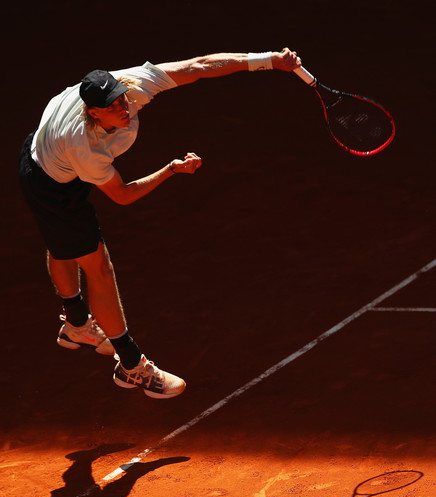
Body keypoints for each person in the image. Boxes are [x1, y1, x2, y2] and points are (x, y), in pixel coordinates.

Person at [18, 48, 302, 399]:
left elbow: (197, 67)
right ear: (92, 113)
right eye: (112, 107)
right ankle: (132, 366)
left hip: (43, 153)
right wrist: (170, 170)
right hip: (51, 182)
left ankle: (76, 325)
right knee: (98, 267)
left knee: (62, 242)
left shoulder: (132, 85)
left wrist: (269, 59)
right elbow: (121, 195)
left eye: (121, 99)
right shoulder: (85, 146)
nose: (123, 108)